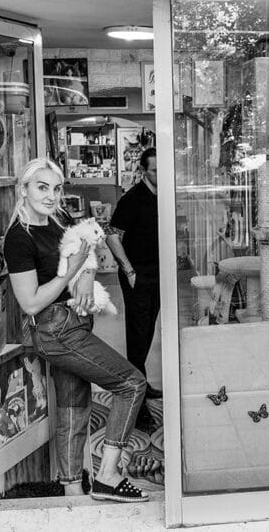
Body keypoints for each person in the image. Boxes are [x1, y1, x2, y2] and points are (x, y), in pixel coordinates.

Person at [4, 157, 148, 502]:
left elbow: (88, 246)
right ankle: (108, 476)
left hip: (73, 323)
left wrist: (85, 275)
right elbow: (32, 302)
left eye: (56, 188)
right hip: (56, 331)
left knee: (73, 405)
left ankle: (72, 490)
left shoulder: (54, 221)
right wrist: (71, 275)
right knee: (131, 383)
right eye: (42, 187)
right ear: (23, 190)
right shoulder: (18, 239)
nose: (51, 196)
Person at [106, 148, 162, 406]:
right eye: (154, 170)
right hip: (137, 274)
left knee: (148, 329)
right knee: (138, 333)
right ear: (143, 170)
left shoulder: (162, 196)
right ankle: (135, 395)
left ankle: (140, 382)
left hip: (157, 272)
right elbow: (112, 235)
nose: (159, 175)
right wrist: (128, 270)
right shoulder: (132, 199)